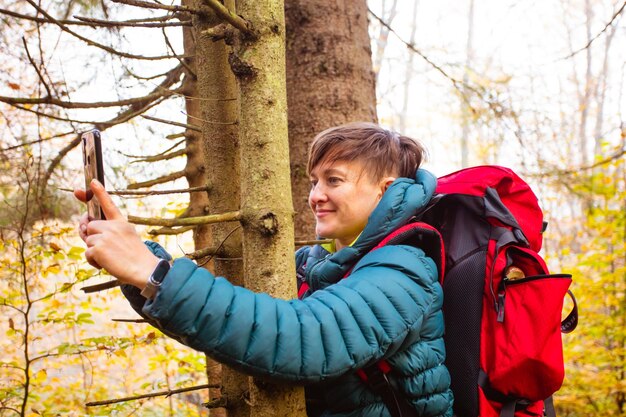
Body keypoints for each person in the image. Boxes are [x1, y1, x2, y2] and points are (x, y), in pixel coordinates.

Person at [75, 122, 454, 417]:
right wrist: (137, 259)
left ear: (385, 190)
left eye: (333, 180)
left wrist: (153, 273)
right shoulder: (317, 265)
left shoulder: (405, 271)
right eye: (315, 181)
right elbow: (235, 317)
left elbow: (304, 339)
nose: (315, 195)